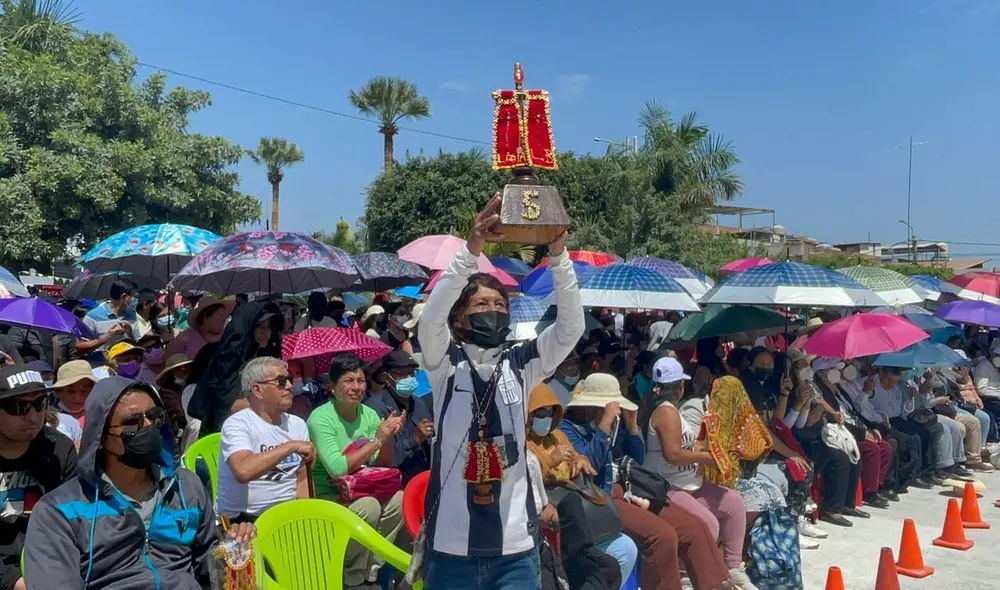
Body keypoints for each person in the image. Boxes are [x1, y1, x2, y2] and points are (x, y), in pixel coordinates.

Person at [417, 194, 584, 590]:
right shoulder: (445, 361)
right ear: (460, 316)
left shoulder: (522, 362)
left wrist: (559, 257)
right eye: (480, 303)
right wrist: (471, 250)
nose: (492, 308)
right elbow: (432, 317)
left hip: (516, 551)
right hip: (451, 548)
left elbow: (570, 329)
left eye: (499, 303)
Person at [24, 376, 254, 588]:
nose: (147, 427)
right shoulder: (60, 510)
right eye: (132, 422)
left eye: (153, 417)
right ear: (100, 438)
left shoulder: (186, 487)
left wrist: (233, 549)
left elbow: (207, 563)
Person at [559, 373, 733, 590]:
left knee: (693, 527)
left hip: (628, 489)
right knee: (662, 536)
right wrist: (604, 425)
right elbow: (589, 468)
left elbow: (636, 458)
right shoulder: (566, 429)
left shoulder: (611, 426)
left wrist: (632, 428)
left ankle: (715, 585)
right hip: (600, 498)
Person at [640, 357, 756, 589]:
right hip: (668, 486)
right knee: (707, 525)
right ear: (680, 386)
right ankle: (687, 573)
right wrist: (707, 458)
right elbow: (673, 454)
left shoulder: (672, 411)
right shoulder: (666, 412)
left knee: (733, 504)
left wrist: (712, 449)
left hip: (689, 483)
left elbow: (686, 445)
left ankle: (731, 567)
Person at [525, 382, 638, 587]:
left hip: (580, 509)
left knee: (624, 549)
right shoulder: (522, 442)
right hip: (550, 516)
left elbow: (582, 458)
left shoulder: (558, 435)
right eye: (540, 413)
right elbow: (524, 477)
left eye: (550, 413)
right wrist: (552, 461)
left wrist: (580, 460)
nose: (546, 418)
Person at [308, 353, 405, 588]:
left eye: (360, 381)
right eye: (349, 381)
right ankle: (349, 572)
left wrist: (388, 436)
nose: (356, 387)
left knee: (399, 499)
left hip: (362, 488)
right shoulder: (320, 419)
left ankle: (371, 568)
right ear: (332, 387)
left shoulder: (369, 414)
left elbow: (382, 464)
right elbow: (337, 469)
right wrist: (378, 439)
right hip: (328, 495)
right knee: (368, 506)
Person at [0, 364, 78, 590]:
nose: (32, 416)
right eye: (18, 407)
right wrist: (13, 581)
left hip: (49, 565)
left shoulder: (59, 450)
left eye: (39, 403)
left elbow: (73, 522)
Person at [216, 357, 314, 523]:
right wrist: (290, 446)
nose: (290, 386)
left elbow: (302, 479)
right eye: (281, 381)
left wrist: (307, 518)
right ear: (257, 390)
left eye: (289, 380)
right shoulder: (238, 424)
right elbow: (243, 471)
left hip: (287, 517)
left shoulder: (297, 424)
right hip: (242, 522)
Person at [188, 301, 281, 436]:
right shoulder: (229, 359)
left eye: (269, 327)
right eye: (260, 326)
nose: (266, 331)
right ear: (248, 328)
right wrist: (268, 403)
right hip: (224, 433)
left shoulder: (260, 355)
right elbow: (226, 406)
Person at [801, 359, 868, 525]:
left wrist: (833, 411)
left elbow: (832, 410)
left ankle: (847, 503)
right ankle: (832, 509)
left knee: (853, 453)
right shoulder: (803, 390)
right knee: (840, 459)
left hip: (827, 433)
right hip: (809, 436)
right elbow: (808, 422)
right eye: (829, 369)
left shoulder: (826, 389)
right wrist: (823, 406)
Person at [867, 366, 948, 487]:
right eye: (889, 380)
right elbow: (865, 407)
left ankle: (926, 471)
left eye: (894, 381)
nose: (891, 384)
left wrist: (910, 399)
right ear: (881, 372)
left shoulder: (898, 389)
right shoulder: (871, 385)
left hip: (898, 419)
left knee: (924, 432)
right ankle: (911, 475)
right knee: (911, 438)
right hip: (880, 421)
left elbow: (904, 413)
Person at [364, 350, 433, 485]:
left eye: (412, 373)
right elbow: (380, 459)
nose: (409, 378)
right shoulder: (374, 408)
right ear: (386, 378)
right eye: (402, 375)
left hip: (424, 477)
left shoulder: (418, 403)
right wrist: (414, 439)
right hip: (396, 483)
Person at [165, 297, 236, 361]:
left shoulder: (228, 337)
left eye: (225, 316)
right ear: (205, 316)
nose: (223, 319)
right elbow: (169, 365)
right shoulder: (184, 339)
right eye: (220, 315)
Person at [51, 360, 97, 433]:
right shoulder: (48, 419)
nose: (77, 397)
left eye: (84, 391)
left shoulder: (99, 416)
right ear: (58, 392)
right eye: (71, 391)